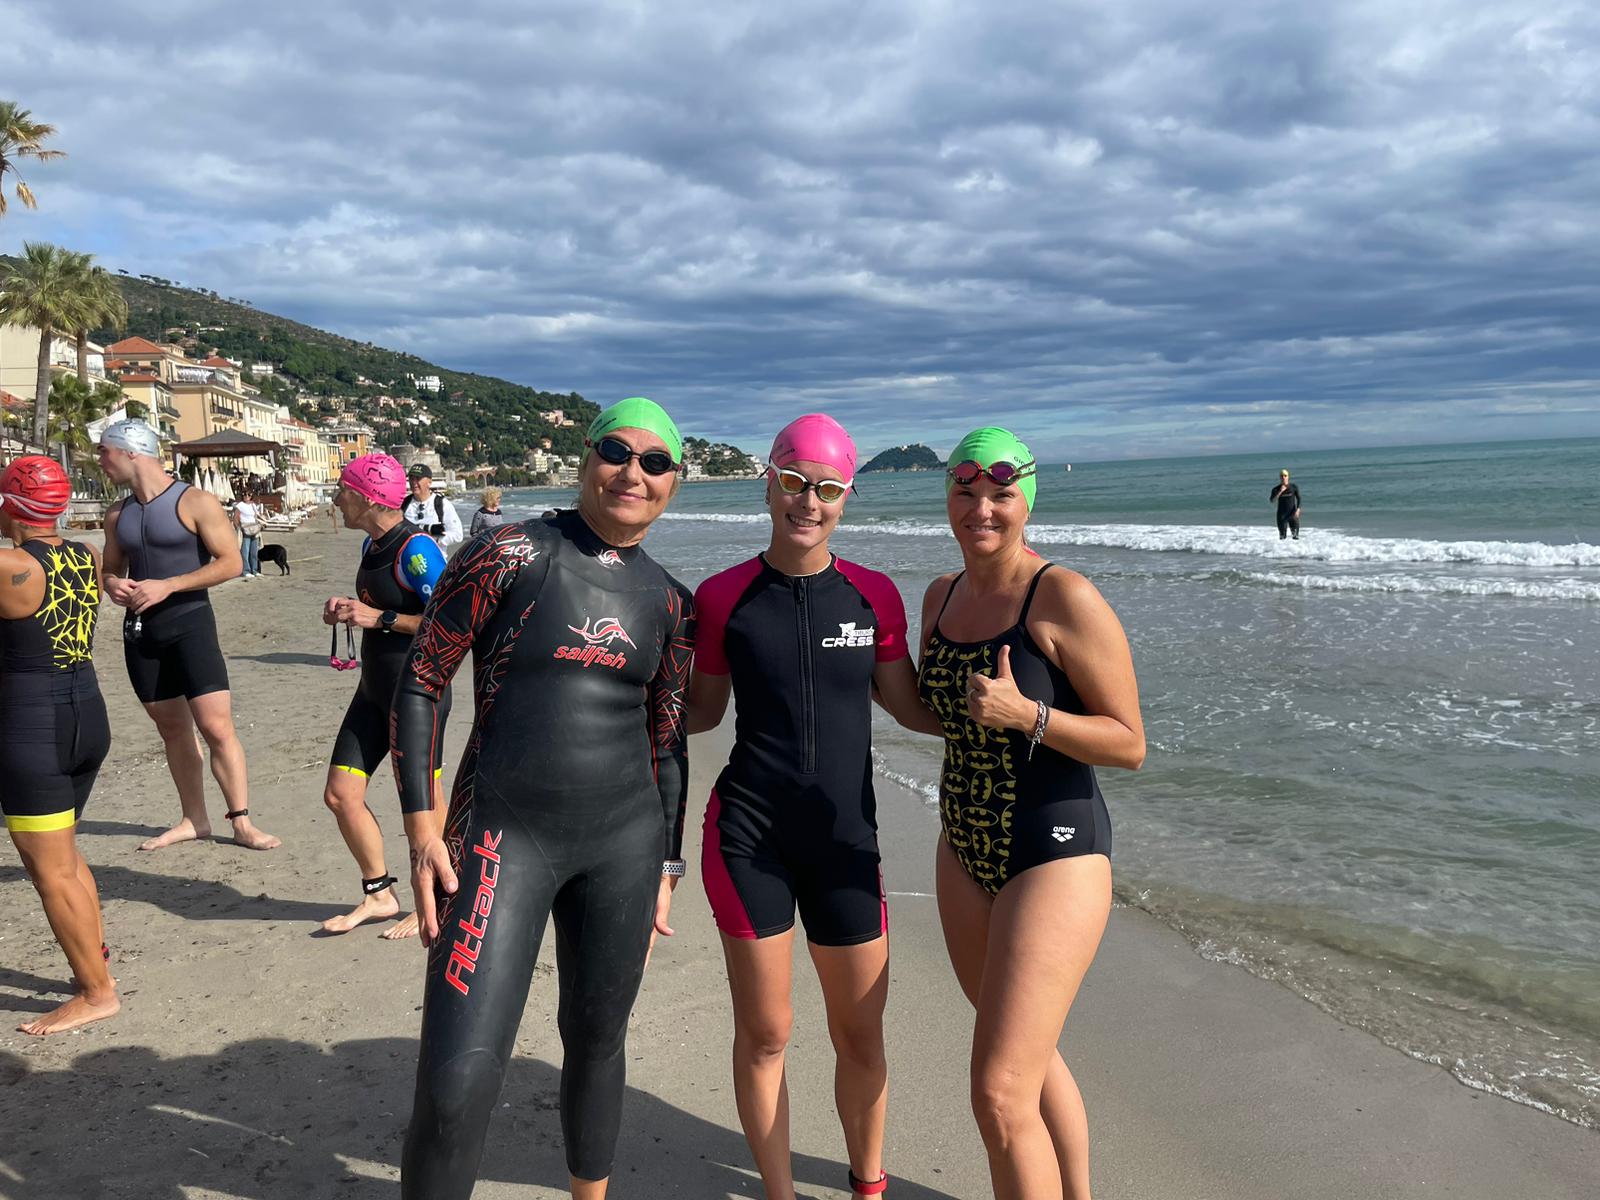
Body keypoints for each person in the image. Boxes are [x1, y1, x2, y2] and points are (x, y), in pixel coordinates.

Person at [394, 397, 695, 1200]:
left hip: (624, 846)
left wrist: (669, 865)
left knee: (598, 1043)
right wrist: (423, 826)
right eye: (616, 451)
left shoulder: (672, 601)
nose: (632, 472)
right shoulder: (510, 552)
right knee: (456, 1080)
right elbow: (423, 678)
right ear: (586, 458)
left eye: (655, 462)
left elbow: (668, 740)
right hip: (501, 836)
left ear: (673, 482)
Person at [687, 414, 926, 1199]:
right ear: (769, 484)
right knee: (767, 1034)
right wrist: (608, 695)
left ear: (847, 497)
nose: (808, 502)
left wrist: (1019, 716)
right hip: (748, 838)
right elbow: (700, 714)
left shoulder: (873, 595)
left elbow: (910, 708)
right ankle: (780, 1193)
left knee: (861, 1036)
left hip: (845, 847)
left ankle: (867, 1185)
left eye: (827, 488)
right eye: (793, 482)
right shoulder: (723, 598)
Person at [914, 427, 1144, 1200]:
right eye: (965, 490)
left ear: (1027, 502)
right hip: (963, 844)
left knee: (999, 1093)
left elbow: (1130, 743)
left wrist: (1029, 717)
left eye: (1001, 493)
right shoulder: (940, 596)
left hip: (1056, 850)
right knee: (1029, 1066)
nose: (981, 508)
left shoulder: (1063, 596)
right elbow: (940, 712)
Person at [97, 420, 281, 852]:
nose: (100, 460)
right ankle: (193, 819)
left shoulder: (195, 501)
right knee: (172, 728)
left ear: (130, 451)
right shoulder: (117, 514)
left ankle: (241, 822)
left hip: (190, 624)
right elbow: (110, 569)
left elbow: (231, 562)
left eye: (105, 451)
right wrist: (113, 584)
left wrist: (169, 585)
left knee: (216, 726)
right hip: (142, 632)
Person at [0, 456, 119, 1036]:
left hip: (31, 728)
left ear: (10, 505)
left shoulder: (11, 566)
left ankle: (96, 993)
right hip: (85, 716)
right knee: (66, 859)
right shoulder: (85, 554)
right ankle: (94, 966)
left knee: (49, 870)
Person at [319, 452, 451, 938]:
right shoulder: (371, 545)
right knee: (340, 795)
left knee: (423, 803)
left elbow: (450, 623)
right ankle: (379, 894)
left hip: (416, 694)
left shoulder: (416, 550)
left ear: (368, 498)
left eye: (343, 490)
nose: (337, 499)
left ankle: (435, 897)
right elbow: (377, 605)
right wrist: (347, 609)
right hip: (373, 691)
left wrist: (380, 619)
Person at [402, 463, 463, 552]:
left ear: (429, 482)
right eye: (411, 478)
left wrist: (434, 540)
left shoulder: (442, 504)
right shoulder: (404, 504)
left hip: (434, 558)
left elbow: (457, 534)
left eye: (418, 479)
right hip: (408, 558)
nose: (414, 482)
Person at [233, 492, 262, 578]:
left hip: (254, 528)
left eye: (249, 495)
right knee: (245, 551)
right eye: (244, 495)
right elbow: (236, 518)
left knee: (254, 551)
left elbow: (256, 516)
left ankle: (255, 570)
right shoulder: (240, 505)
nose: (246, 496)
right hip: (245, 529)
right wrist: (238, 528)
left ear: (251, 496)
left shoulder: (253, 505)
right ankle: (246, 570)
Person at [1270, 468, 1301, 540]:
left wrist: (1298, 509)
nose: (1283, 477)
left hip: (1292, 515)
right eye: (1282, 476)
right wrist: (1280, 491)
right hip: (1282, 516)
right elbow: (1272, 500)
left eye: (1285, 475)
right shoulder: (1276, 489)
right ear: (1280, 478)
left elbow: (1299, 498)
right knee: (1282, 538)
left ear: (1288, 477)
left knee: (1295, 537)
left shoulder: (1293, 487)